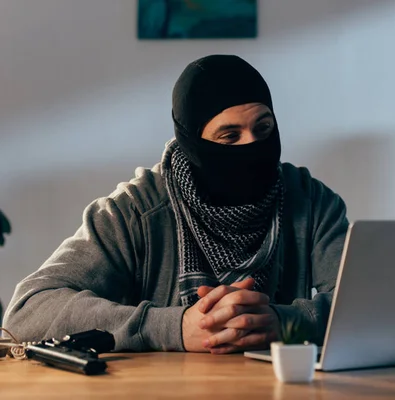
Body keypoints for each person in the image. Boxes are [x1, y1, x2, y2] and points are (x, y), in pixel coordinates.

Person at [2, 55, 349, 354]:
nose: (252, 146)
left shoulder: (311, 200)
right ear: (191, 143)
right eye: (230, 136)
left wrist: (282, 322)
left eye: (264, 128)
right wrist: (177, 327)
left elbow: (373, 305)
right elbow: (28, 310)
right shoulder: (135, 211)